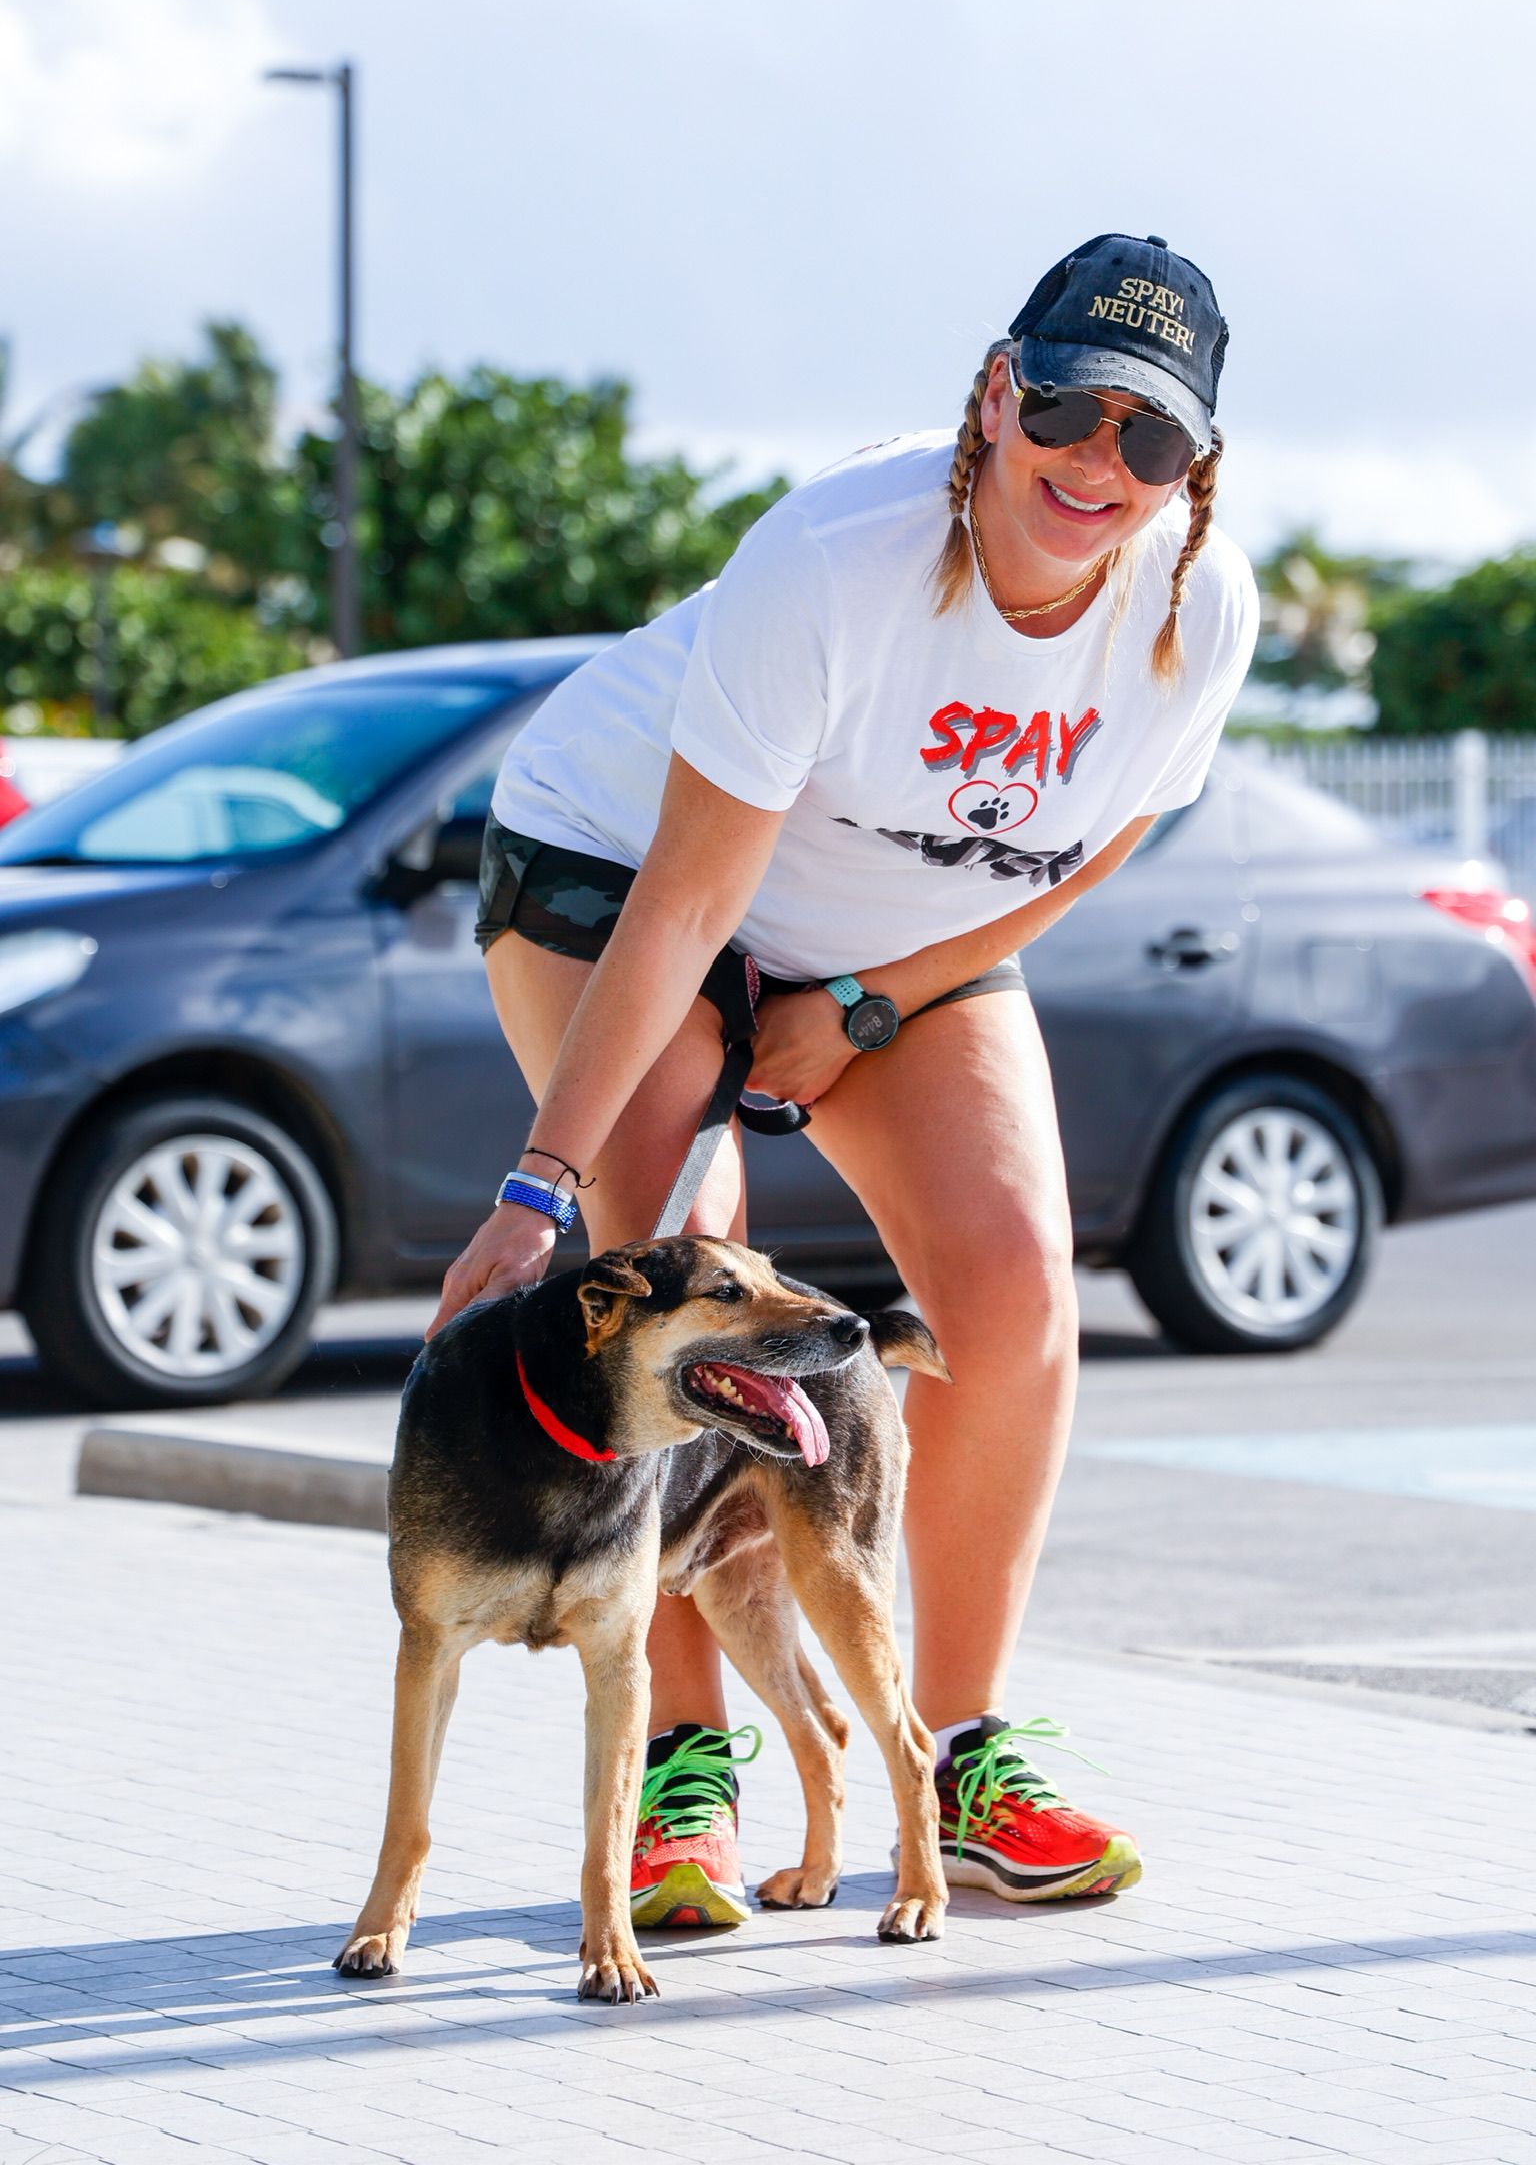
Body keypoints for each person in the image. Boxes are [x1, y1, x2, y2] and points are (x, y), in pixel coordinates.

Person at [431, 233, 1258, 1926]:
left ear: (1194, 467)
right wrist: (542, 1188)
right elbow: (684, 905)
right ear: (994, 393)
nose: (1099, 462)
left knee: (1019, 1283)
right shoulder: (838, 558)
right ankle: (682, 1768)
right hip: (622, 861)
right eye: (1068, 407)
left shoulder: (1197, 602)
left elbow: (1091, 852)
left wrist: (872, 1003)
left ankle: (953, 1752)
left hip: (902, 934)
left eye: (1150, 438)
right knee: (681, 1264)